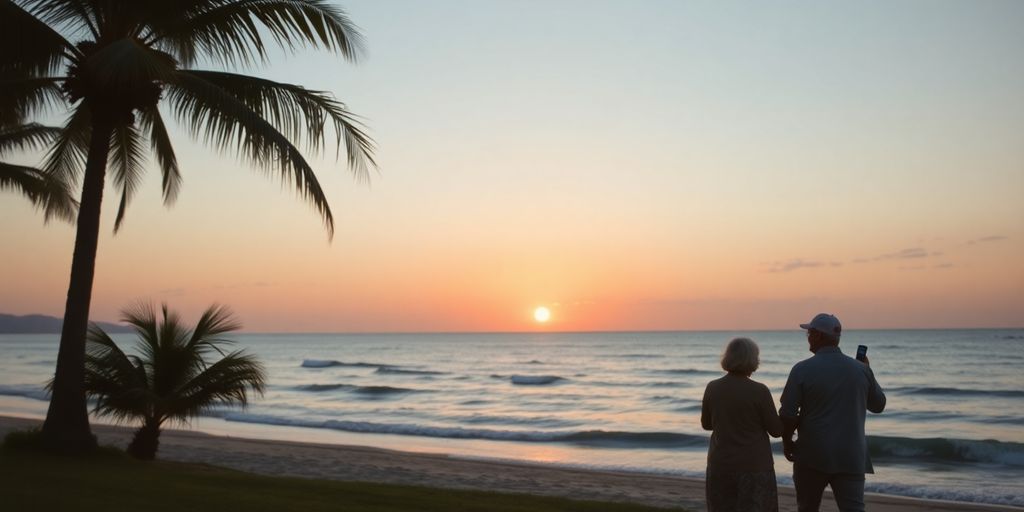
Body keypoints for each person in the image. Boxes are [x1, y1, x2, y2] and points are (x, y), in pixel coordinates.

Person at [779, 313, 886, 512]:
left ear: (818, 336)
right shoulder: (860, 369)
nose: (808, 338)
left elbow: (788, 414)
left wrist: (787, 442)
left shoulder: (802, 370)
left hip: (812, 454)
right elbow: (878, 405)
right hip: (851, 455)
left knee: (807, 507)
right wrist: (868, 371)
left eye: (809, 333)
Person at [702, 337, 783, 512]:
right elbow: (776, 431)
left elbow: (707, 424)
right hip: (754, 466)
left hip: (720, 464)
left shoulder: (712, 387)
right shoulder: (759, 391)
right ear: (752, 359)